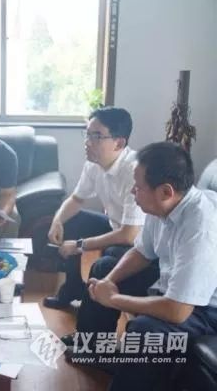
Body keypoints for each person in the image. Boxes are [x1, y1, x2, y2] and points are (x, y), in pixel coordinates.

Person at [71, 142, 217, 391]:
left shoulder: (201, 228)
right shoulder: (163, 205)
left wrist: (114, 299)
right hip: (172, 283)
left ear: (166, 191)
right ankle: (93, 351)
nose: (132, 191)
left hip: (205, 308)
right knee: (103, 268)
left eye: (138, 187)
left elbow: (177, 311)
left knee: (144, 330)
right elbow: (141, 251)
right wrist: (108, 282)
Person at [44, 107, 146, 310]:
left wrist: (80, 245)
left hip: (139, 242)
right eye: (87, 134)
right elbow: (76, 199)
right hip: (116, 226)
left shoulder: (135, 171)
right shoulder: (94, 163)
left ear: (119, 143)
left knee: (108, 256)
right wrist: (57, 220)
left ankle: (94, 305)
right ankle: (72, 288)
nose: (88, 142)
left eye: (96, 136)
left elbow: (129, 235)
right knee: (72, 219)